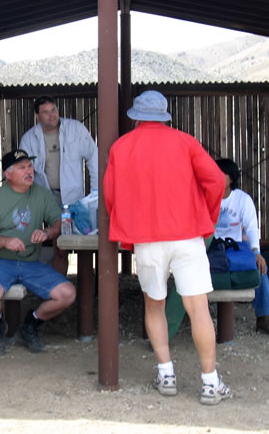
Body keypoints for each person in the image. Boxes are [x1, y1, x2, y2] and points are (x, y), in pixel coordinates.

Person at [104, 90, 231, 405]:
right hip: (188, 235)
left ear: (135, 117)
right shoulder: (185, 142)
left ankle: (166, 373)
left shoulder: (121, 147)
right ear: (165, 116)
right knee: (198, 308)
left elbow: (110, 196)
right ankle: (210, 382)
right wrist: (207, 218)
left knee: (154, 305)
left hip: (147, 240)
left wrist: (128, 225)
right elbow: (216, 180)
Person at [0, 149, 76, 356]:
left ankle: (30, 325)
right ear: (8, 174)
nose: (29, 171)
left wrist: (47, 233)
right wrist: (4, 241)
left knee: (67, 294)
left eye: (30, 166)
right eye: (22, 168)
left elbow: (60, 222)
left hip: (30, 262)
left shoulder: (40, 194)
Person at [19, 96, 98, 274]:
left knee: (85, 242)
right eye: (46, 112)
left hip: (75, 196)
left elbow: (94, 158)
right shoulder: (29, 139)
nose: (52, 115)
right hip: (47, 197)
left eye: (53, 109)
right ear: (37, 116)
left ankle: (82, 290)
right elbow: (24, 173)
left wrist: (95, 193)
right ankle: (58, 288)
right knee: (58, 245)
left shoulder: (75, 129)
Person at [214, 158, 269, 336]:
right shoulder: (205, 195)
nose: (214, 177)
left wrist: (255, 252)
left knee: (261, 268)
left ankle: (264, 318)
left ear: (231, 178)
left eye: (219, 174)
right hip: (212, 246)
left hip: (236, 247)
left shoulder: (242, 200)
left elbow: (252, 228)